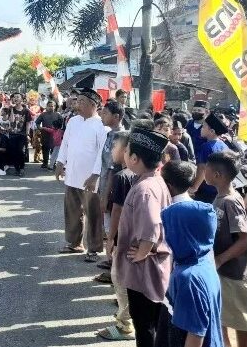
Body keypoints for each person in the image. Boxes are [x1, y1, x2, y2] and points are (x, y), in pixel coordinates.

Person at [115, 127, 172, 347]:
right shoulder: (153, 180)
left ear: (135, 158)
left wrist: (141, 253)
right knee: (152, 324)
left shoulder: (145, 189)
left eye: (127, 150)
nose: (124, 154)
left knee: (145, 326)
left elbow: (150, 228)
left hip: (144, 271)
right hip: (153, 267)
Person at [160, 199, 224, 347]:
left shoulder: (189, 279)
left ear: (182, 233)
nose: (166, 234)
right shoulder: (205, 259)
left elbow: (195, 337)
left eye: (169, 228)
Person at [55, 87, 108, 262]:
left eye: (82, 102)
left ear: (93, 105)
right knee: (72, 211)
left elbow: (102, 153)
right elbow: (65, 144)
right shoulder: (73, 121)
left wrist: (95, 176)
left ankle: (93, 249)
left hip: (90, 179)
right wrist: (60, 162)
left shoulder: (101, 126)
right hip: (72, 175)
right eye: (78, 101)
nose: (78, 104)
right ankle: (74, 243)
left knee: (93, 214)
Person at [205, 152, 247, 347]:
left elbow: (245, 239)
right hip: (223, 273)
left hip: (233, 274)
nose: (202, 171)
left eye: (206, 168)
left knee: (241, 324)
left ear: (217, 175)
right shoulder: (221, 197)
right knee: (221, 321)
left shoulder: (230, 201)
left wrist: (220, 259)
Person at [96, 131, 136, 341]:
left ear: (128, 152)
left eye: (116, 147)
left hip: (123, 236)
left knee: (120, 279)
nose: (112, 150)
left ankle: (124, 325)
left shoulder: (123, 177)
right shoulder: (144, 175)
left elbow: (117, 210)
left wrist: (110, 238)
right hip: (136, 238)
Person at [87, 99, 125, 267]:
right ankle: (111, 259)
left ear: (116, 116)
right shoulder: (109, 134)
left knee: (114, 225)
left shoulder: (121, 137)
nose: (102, 115)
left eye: (105, 113)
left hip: (114, 188)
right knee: (109, 223)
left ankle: (114, 262)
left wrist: (104, 196)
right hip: (105, 185)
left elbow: (111, 167)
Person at [188, 113, 230, 203]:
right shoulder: (224, 146)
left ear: (212, 131)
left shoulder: (206, 147)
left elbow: (202, 169)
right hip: (218, 188)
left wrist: (194, 188)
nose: (201, 129)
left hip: (206, 189)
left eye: (203, 127)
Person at [8, 93, 32, 176]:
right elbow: (11, 121)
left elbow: (28, 123)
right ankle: (16, 168)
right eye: (14, 97)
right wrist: (11, 109)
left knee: (20, 151)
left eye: (17, 97)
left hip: (22, 134)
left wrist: (27, 134)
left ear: (21, 99)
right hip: (12, 134)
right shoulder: (11, 109)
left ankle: (22, 168)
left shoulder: (26, 111)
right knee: (14, 152)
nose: (16, 98)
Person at [35, 100, 63, 169]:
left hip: (55, 137)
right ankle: (45, 162)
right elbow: (37, 122)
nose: (51, 107)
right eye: (49, 106)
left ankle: (53, 163)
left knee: (54, 150)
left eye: (52, 106)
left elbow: (62, 123)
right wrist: (39, 128)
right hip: (45, 134)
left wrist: (59, 130)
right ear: (46, 107)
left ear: (55, 107)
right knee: (45, 149)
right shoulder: (43, 114)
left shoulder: (58, 115)